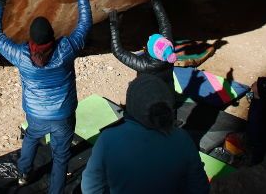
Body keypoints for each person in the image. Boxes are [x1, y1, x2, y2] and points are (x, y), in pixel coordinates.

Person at [0, 0, 92, 194]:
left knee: (31, 139)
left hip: (35, 113)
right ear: (52, 36)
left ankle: (24, 174)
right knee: (61, 157)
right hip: (63, 114)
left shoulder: (20, 56)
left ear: (31, 40)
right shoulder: (65, 50)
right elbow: (84, 25)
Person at [81, 74, 210, 194]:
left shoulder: (108, 139)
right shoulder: (182, 139)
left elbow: (90, 186)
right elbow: (199, 187)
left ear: (131, 105)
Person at [107, 0, 177, 89]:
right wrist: (157, 4)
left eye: (149, 43)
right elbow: (164, 24)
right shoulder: (168, 48)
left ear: (152, 52)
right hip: (167, 87)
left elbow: (118, 52)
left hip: (152, 92)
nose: (149, 38)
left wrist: (114, 28)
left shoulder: (145, 65)